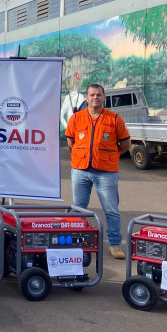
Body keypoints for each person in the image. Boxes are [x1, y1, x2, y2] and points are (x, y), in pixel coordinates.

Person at [65, 83, 132, 259]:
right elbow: (71, 141)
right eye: (92, 95)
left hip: (106, 172)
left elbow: (126, 144)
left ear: (104, 97)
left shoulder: (115, 119)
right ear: (86, 98)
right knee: (79, 208)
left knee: (111, 210)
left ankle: (115, 245)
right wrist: (82, 156)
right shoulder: (76, 118)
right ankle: (75, 239)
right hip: (80, 171)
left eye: (99, 95)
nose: (95, 97)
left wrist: (110, 156)